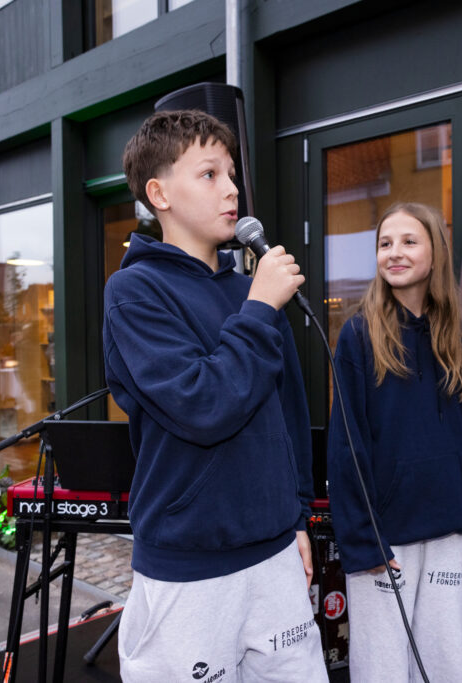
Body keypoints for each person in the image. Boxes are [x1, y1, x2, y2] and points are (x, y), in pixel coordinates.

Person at [103, 109, 326, 682]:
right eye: (209, 174)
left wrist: (297, 515)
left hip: (275, 552)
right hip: (191, 565)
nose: (232, 190)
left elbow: (288, 411)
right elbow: (203, 406)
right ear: (160, 193)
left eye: (231, 174)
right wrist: (258, 309)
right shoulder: (134, 291)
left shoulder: (250, 288)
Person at [327, 202, 462, 682]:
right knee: (384, 665)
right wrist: (364, 539)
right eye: (385, 243)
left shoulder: (458, 336)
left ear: (436, 253)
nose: (394, 253)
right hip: (386, 539)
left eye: (408, 241)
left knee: (444, 658)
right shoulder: (359, 336)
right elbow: (346, 447)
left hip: (448, 530)